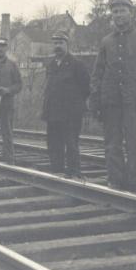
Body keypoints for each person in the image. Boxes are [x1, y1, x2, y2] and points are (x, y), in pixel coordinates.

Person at [88, 0, 136, 191]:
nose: (118, 15)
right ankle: (115, 182)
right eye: (115, 11)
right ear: (111, 15)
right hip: (111, 100)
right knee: (112, 144)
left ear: (131, 13)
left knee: (134, 144)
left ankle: (134, 184)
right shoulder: (106, 42)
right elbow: (98, 72)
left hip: (135, 101)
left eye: (122, 11)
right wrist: (95, 99)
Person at [41, 30, 90, 179]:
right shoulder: (51, 65)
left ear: (67, 45)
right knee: (54, 143)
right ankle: (57, 172)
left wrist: (76, 106)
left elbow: (86, 88)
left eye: (61, 43)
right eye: (55, 43)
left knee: (71, 144)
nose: (58, 46)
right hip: (53, 112)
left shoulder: (77, 65)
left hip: (71, 113)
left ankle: (74, 173)